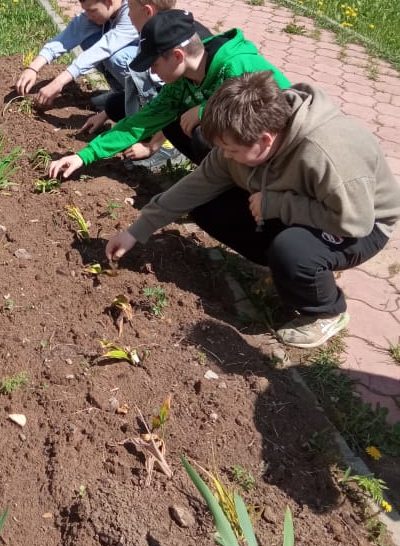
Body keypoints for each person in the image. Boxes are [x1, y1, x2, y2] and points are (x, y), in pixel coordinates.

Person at [105, 71, 400, 348]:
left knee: (292, 250)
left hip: (363, 222)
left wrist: (277, 204)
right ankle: (294, 269)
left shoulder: (327, 154)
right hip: (307, 206)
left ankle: (326, 311)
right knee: (207, 204)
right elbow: (198, 184)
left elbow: (355, 222)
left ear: (265, 140)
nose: (226, 155)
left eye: (232, 150)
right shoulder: (246, 137)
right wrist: (137, 230)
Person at [49, 9, 290, 180]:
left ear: (177, 56)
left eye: (154, 64)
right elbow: (140, 122)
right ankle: (224, 181)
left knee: (202, 134)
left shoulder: (238, 65)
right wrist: (85, 155)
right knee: (175, 123)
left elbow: (282, 106)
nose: (152, 71)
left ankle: (240, 187)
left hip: (284, 156)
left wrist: (207, 110)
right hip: (246, 153)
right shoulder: (181, 82)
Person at [76, 0, 212, 170]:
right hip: (180, 103)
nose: (127, 15)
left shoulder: (177, 47)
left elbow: (172, 106)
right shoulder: (155, 39)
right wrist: (88, 149)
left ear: (147, 11)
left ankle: (169, 150)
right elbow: (153, 104)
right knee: (115, 105)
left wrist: (151, 146)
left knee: (188, 128)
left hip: (206, 118)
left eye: (130, 9)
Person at [14, 0, 139, 108]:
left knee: (117, 58)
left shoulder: (134, 8)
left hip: (156, 70)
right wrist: (33, 68)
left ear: (109, 1)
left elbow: (104, 48)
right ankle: (121, 93)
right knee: (88, 38)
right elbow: (69, 35)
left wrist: (58, 82)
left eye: (92, 11)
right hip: (131, 54)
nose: (89, 16)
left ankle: (139, 100)